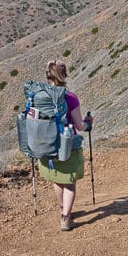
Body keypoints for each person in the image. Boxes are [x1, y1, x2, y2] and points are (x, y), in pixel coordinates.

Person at [38, 60, 91, 231]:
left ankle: (63, 209)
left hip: (46, 147)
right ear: (65, 75)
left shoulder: (40, 96)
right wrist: (88, 123)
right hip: (67, 147)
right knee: (69, 183)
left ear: (48, 75)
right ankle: (65, 218)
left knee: (57, 179)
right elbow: (79, 126)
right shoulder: (70, 97)